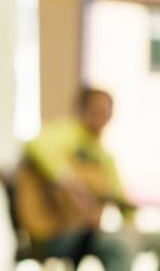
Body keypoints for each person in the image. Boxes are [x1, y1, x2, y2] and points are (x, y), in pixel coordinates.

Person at [23, 88, 135, 270]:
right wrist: (70, 184)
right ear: (82, 109)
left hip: (83, 232)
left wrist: (132, 224)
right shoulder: (66, 132)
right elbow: (35, 144)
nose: (101, 117)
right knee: (117, 247)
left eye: (106, 112)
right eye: (96, 110)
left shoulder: (105, 158)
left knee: (127, 241)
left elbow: (122, 201)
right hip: (53, 229)